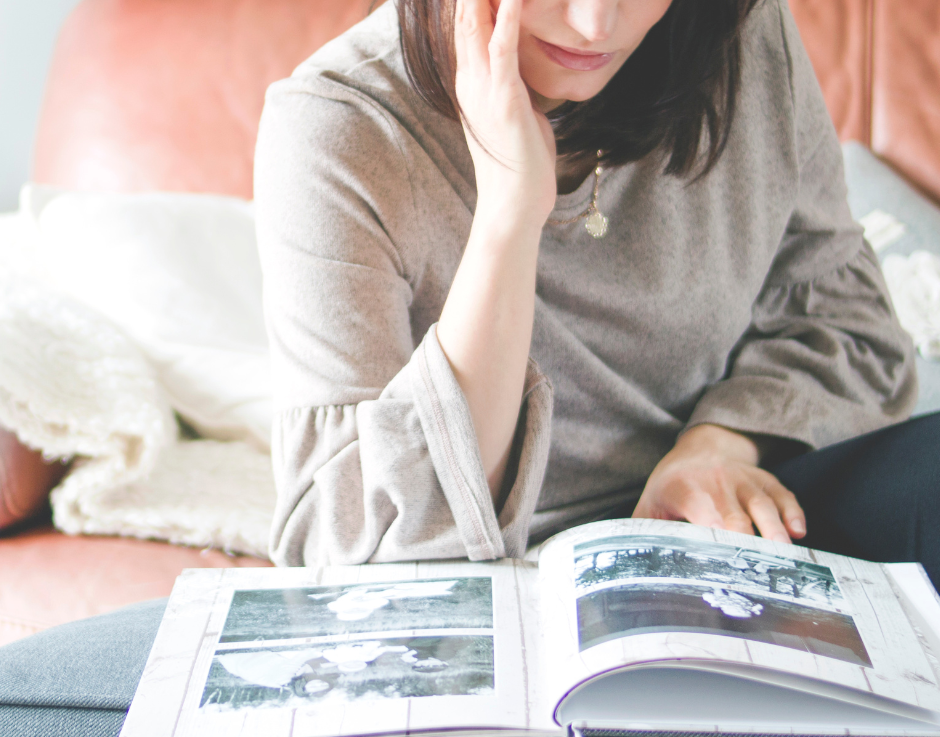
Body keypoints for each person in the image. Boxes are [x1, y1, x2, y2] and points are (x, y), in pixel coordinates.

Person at [255, 0, 939, 583]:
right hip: (513, 583)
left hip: (730, 515)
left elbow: (847, 318)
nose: (595, 24)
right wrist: (508, 214)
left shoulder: (732, 35)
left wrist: (718, 447)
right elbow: (348, 551)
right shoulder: (339, 129)